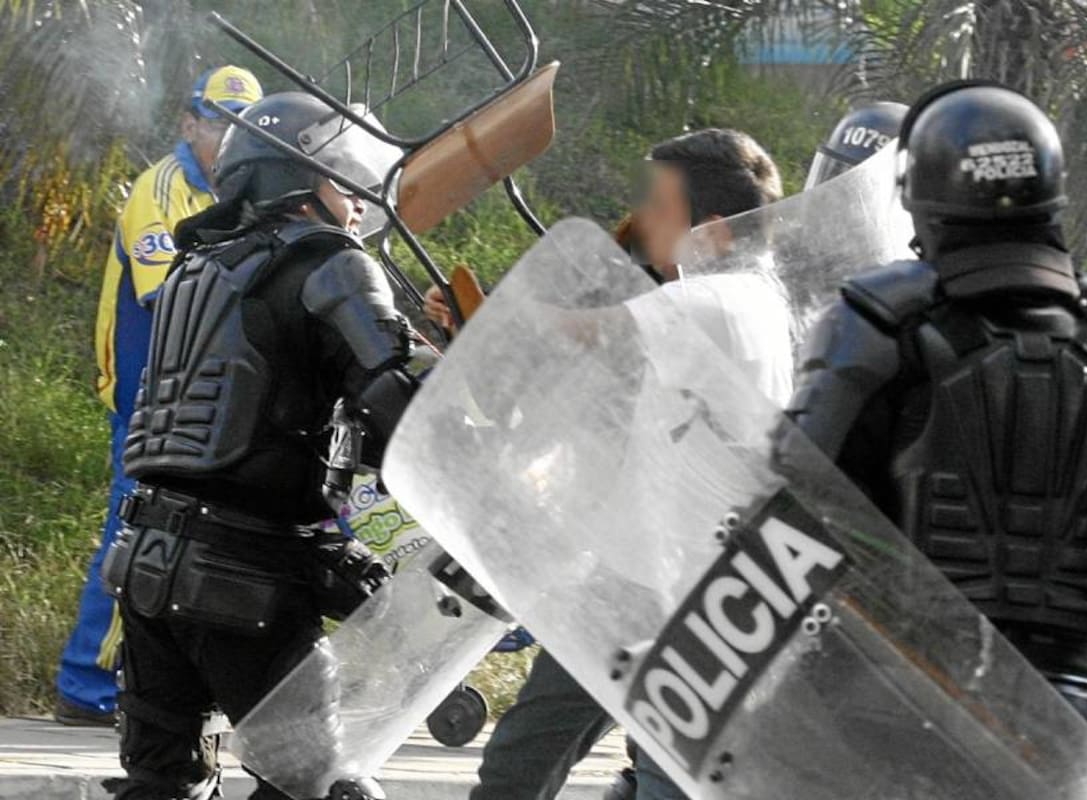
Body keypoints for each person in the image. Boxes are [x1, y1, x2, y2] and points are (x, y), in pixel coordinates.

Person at [776, 80, 1087, 736]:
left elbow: (800, 494)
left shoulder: (876, 320)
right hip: (1062, 705)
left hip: (895, 691)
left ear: (921, 196)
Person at [428, 128, 787, 800]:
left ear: (710, 229)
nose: (641, 217)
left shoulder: (725, 299)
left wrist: (489, 316)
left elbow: (573, 331)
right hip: (630, 581)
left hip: (691, 598)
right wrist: (474, 329)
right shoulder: (725, 303)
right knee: (521, 760)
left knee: (655, 780)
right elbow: (578, 376)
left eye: (658, 203)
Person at [99, 91, 418, 800]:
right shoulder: (329, 262)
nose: (361, 200)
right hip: (244, 582)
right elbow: (393, 401)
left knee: (160, 785)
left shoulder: (199, 267)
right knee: (323, 788)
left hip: (148, 564)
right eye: (345, 180)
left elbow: (255, 408)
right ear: (303, 182)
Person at [57, 65, 263, 727]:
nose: (229, 138)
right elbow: (171, 294)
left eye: (243, 126)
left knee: (186, 540)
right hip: (147, 391)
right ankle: (85, 683)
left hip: (199, 396)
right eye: (217, 122)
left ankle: (161, 681)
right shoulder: (162, 189)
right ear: (189, 122)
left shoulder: (240, 192)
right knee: (134, 531)